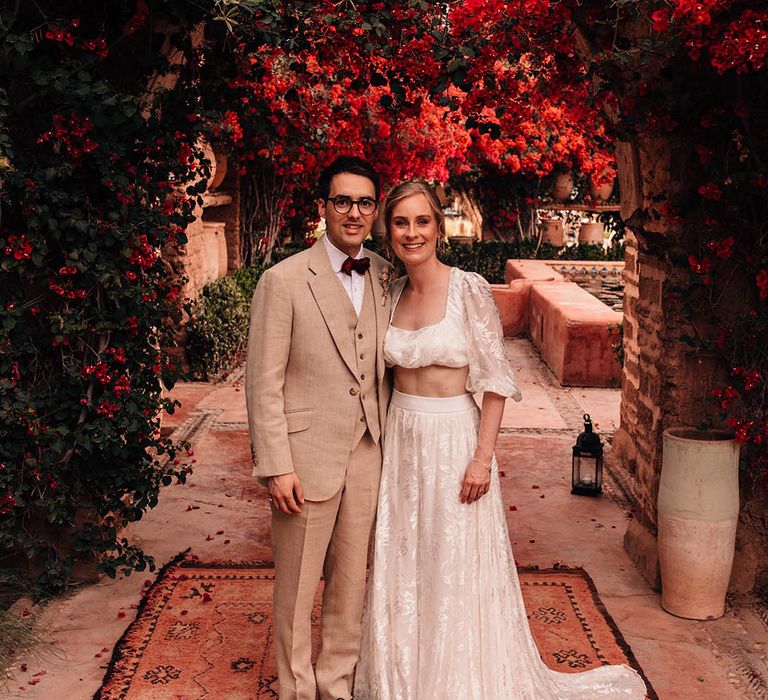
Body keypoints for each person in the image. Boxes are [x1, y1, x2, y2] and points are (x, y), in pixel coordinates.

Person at [354, 181, 648, 699]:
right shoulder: (388, 293)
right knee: (406, 557)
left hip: (454, 441)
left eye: (422, 221)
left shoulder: (467, 288)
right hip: (402, 440)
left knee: (452, 560)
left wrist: (481, 459)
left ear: (438, 227)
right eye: (401, 223)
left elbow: (493, 380)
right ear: (387, 229)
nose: (411, 233)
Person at [245, 156, 392, 700]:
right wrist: (275, 466)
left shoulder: (384, 273)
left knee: (350, 589)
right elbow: (262, 383)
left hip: (368, 452)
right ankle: (296, 691)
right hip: (304, 460)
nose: (353, 212)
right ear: (323, 207)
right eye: (341, 201)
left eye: (364, 202)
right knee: (297, 589)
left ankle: (336, 688)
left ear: (374, 209)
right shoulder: (281, 281)